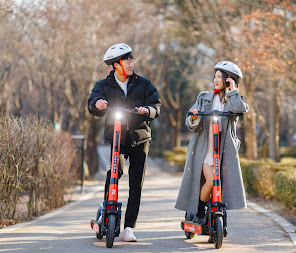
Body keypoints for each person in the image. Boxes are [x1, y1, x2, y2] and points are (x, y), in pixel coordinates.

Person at [88, 43, 161, 242]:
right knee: (114, 172)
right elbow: (92, 104)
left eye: (131, 59)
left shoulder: (143, 83)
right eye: (126, 60)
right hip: (117, 137)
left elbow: (156, 105)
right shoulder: (103, 85)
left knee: (136, 182)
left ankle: (129, 227)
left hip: (139, 137)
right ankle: (107, 210)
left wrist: (148, 111)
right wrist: (98, 104)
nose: (130, 63)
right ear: (115, 65)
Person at [175, 61, 248, 224]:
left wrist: (232, 90)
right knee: (212, 180)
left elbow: (240, 108)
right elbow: (190, 121)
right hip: (205, 148)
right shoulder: (204, 97)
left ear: (228, 79)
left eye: (220, 77)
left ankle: (214, 211)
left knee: (219, 183)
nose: (216, 80)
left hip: (224, 150)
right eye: (215, 76)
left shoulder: (233, 99)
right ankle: (200, 209)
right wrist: (194, 117)